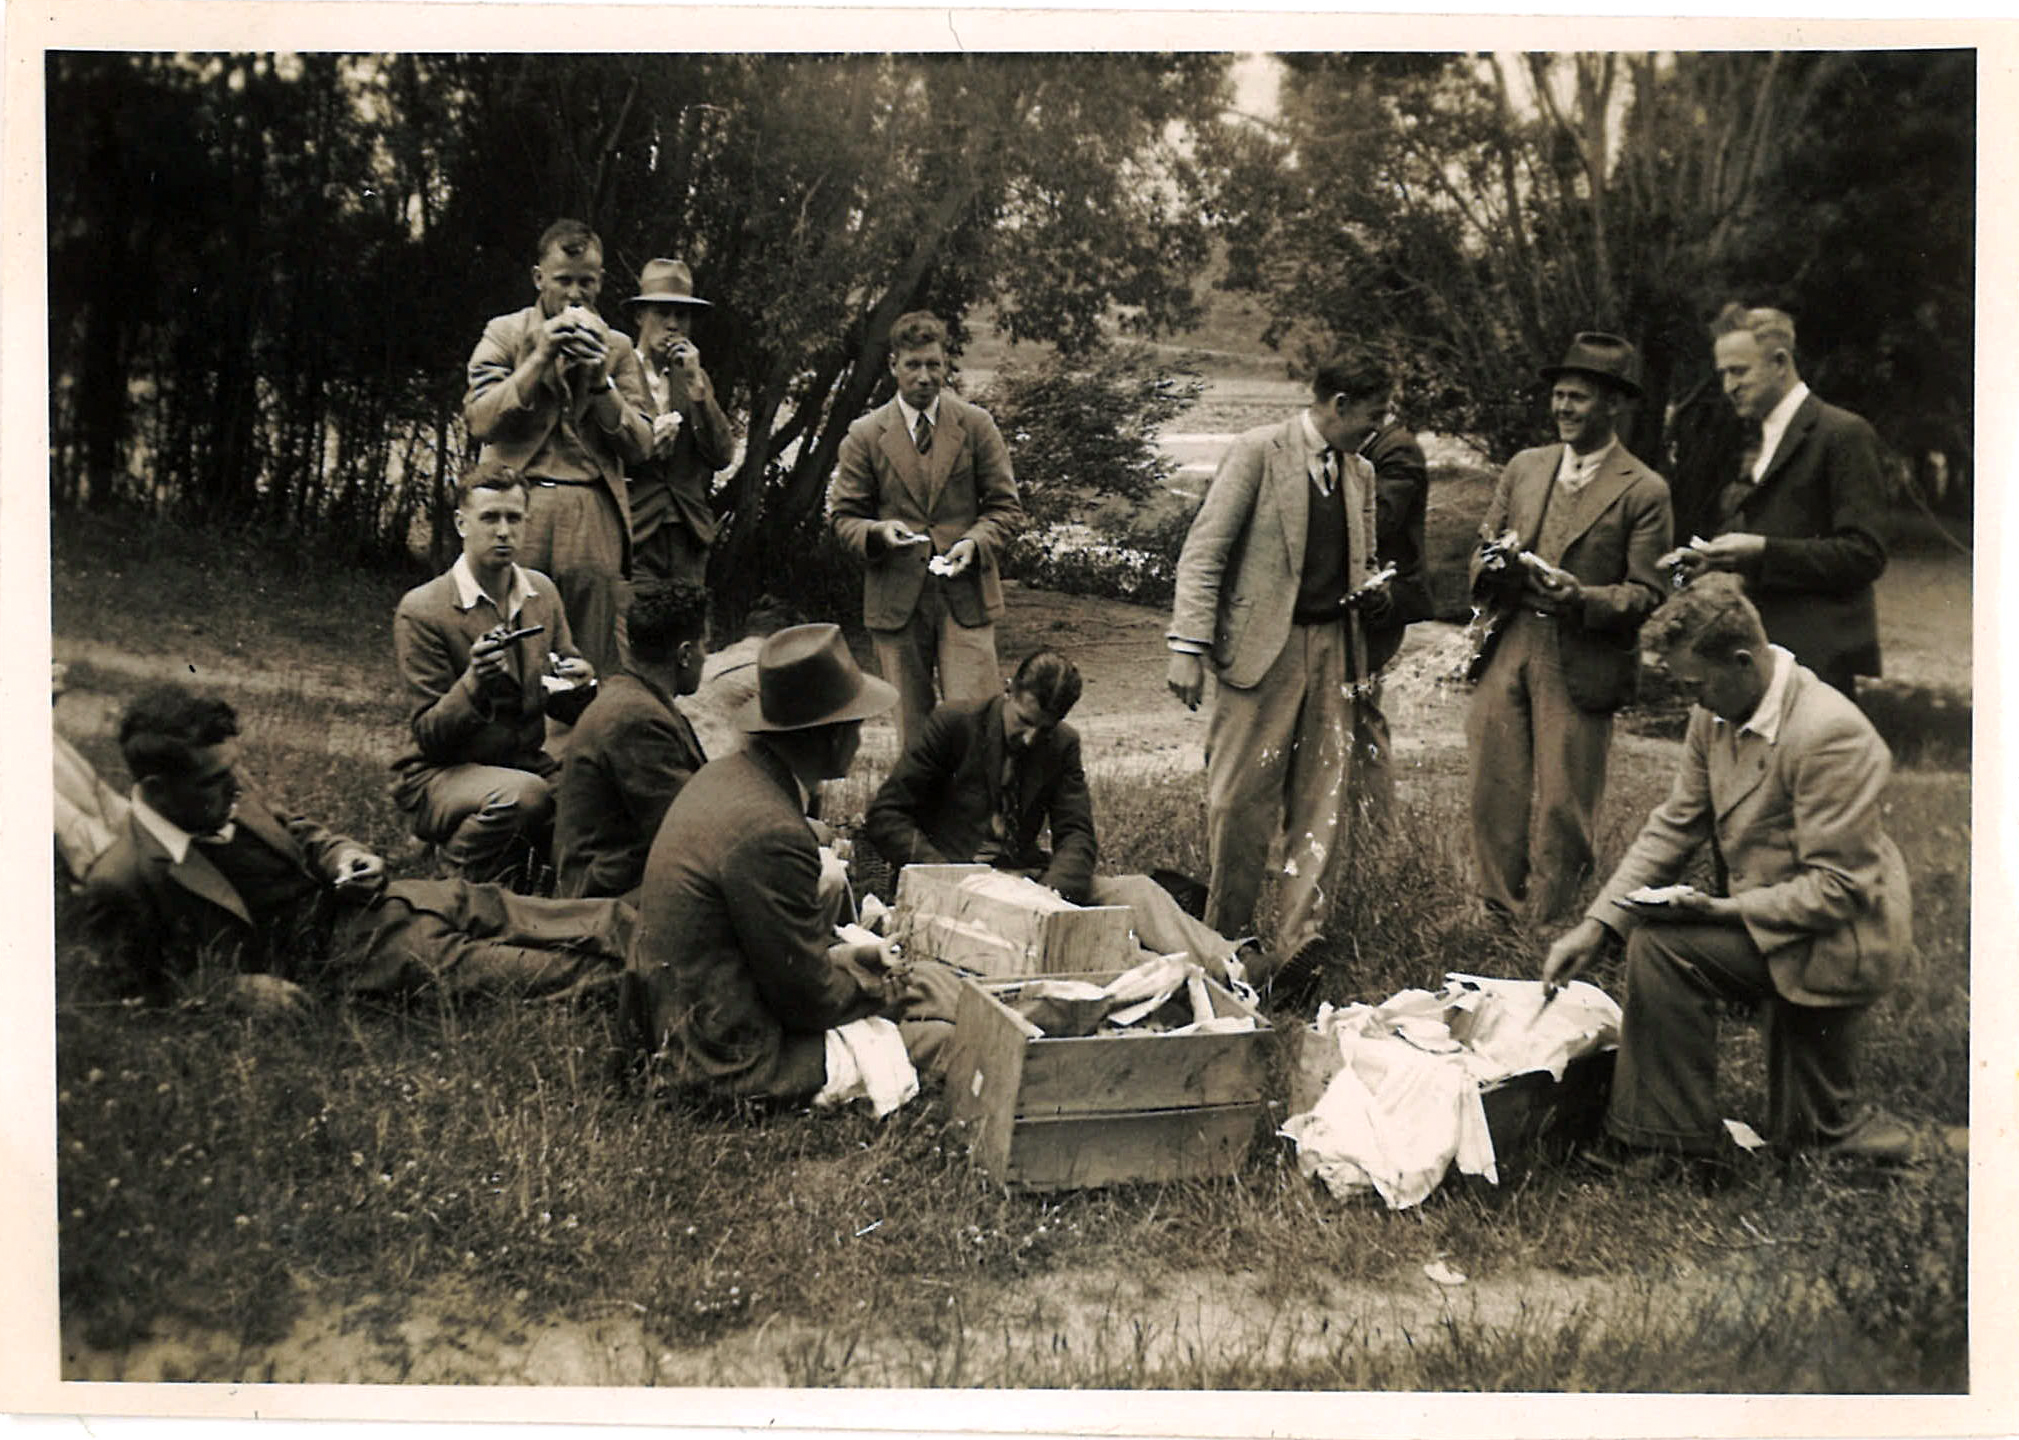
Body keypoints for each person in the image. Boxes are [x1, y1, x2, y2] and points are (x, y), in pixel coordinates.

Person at [1542, 574, 1916, 1174]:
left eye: (1695, 684)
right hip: (1780, 923)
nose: (1691, 700)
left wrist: (1721, 912)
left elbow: (1840, 890)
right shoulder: (1716, 712)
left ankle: (1678, 1146)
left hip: (1836, 940)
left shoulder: (1830, 732)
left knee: (1816, 1144)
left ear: (1743, 662)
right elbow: (1675, 824)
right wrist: (1597, 926)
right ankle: (1665, 1142)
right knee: (1660, 946)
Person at [76, 685, 635, 1015]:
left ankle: (675, 943)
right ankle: (674, 981)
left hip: (398, 902)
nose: (236, 785)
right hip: (360, 963)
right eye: (214, 779)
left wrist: (344, 857)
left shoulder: (221, 789)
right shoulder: (121, 879)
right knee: (567, 975)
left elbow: (299, 832)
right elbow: (120, 998)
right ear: (156, 787)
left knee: (587, 916)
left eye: (234, 768)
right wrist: (230, 991)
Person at [623, 624, 960, 1104]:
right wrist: (881, 992)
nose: (860, 739)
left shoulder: (729, 778)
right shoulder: (771, 829)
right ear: (830, 738)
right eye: (856, 726)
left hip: (694, 1016)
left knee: (929, 993)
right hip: (723, 1057)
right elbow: (810, 1001)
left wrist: (848, 960)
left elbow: (772, 952)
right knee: (947, 1041)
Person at [1164, 352, 1395, 983]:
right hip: (1260, 654)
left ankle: (1300, 948)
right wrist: (1187, 644)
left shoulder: (1361, 474)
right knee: (1239, 801)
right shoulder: (1257, 452)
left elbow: (1364, 558)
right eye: (1373, 414)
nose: (1380, 426)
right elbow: (1204, 552)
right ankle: (1225, 939)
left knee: (1322, 802)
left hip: (1333, 652)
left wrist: (1373, 588)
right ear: (1338, 404)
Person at [866, 648, 1252, 984]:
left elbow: (1077, 834)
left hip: (1028, 882)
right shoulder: (953, 723)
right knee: (1108, 952)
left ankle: (1238, 965)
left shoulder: (1063, 744)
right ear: (1008, 690)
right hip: (956, 887)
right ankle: (1189, 983)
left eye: (1044, 729)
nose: (1032, 739)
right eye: (1024, 721)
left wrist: (1052, 893)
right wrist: (946, 876)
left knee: (1138, 890)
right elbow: (886, 815)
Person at [1464, 332, 1673, 925]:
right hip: (1507, 641)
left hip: (1581, 654)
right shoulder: (1526, 467)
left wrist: (1583, 597)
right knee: (1493, 784)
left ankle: (1552, 920)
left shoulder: (1645, 489)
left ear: (1614, 405)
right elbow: (1483, 547)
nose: (1562, 408)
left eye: (1578, 398)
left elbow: (1649, 592)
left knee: (1564, 799)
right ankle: (1498, 910)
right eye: (1558, 395)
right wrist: (1493, 565)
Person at [1668, 304, 1889, 699]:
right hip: (1756, 657)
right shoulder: (1757, 437)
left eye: (1739, 371)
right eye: (1722, 374)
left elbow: (1865, 554)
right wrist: (1711, 560)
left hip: (1814, 662)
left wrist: (1762, 551)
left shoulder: (1843, 433)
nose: (1728, 386)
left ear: (1780, 362)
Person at [464, 218, 654, 676]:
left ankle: (580, 741)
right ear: (538, 279)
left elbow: (642, 445)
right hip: (519, 501)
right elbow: (481, 420)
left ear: (601, 282)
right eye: (563, 281)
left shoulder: (619, 347)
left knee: (590, 652)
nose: (574, 295)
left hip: (591, 510)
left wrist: (602, 382)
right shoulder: (505, 334)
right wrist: (539, 358)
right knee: (509, 637)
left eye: (586, 283)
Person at [829, 310, 1025, 751]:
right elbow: (843, 518)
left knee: (977, 725)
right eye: (913, 365)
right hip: (897, 603)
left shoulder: (975, 426)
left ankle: (977, 816)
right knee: (912, 734)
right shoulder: (864, 434)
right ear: (893, 365)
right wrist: (878, 533)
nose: (924, 376)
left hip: (966, 598)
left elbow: (1005, 509)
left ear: (946, 366)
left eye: (933, 365)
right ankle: (917, 818)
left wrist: (975, 543)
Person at [392, 461, 594, 887]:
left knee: (596, 797)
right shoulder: (424, 608)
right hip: (439, 775)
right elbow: (429, 736)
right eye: (490, 518)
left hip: (523, 763)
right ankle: (454, 878)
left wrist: (581, 681)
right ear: (462, 523)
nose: (503, 531)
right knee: (526, 796)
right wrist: (474, 684)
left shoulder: (541, 593)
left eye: (514, 518)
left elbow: (565, 691)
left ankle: (537, 884)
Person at [553, 579, 710, 900]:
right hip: (606, 897)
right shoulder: (636, 718)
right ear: (684, 654)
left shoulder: (637, 698)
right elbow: (688, 829)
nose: (707, 656)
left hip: (626, 877)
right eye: (705, 645)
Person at [622, 258, 736, 586]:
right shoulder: (618, 372)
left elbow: (722, 456)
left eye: (681, 315)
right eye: (662, 312)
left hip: (688, 534)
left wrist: (699, 393)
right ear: (640, 316)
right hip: (635, 532)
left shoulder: (694, 378)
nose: (673, 324)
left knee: (688, 630)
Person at [1354, 408, 1438, 823]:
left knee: (1360, 717)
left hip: (1382, 605)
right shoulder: (1364, 445)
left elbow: (1380, 521)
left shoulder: (1398, 450)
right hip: (1361, 601)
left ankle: (1375, 832)